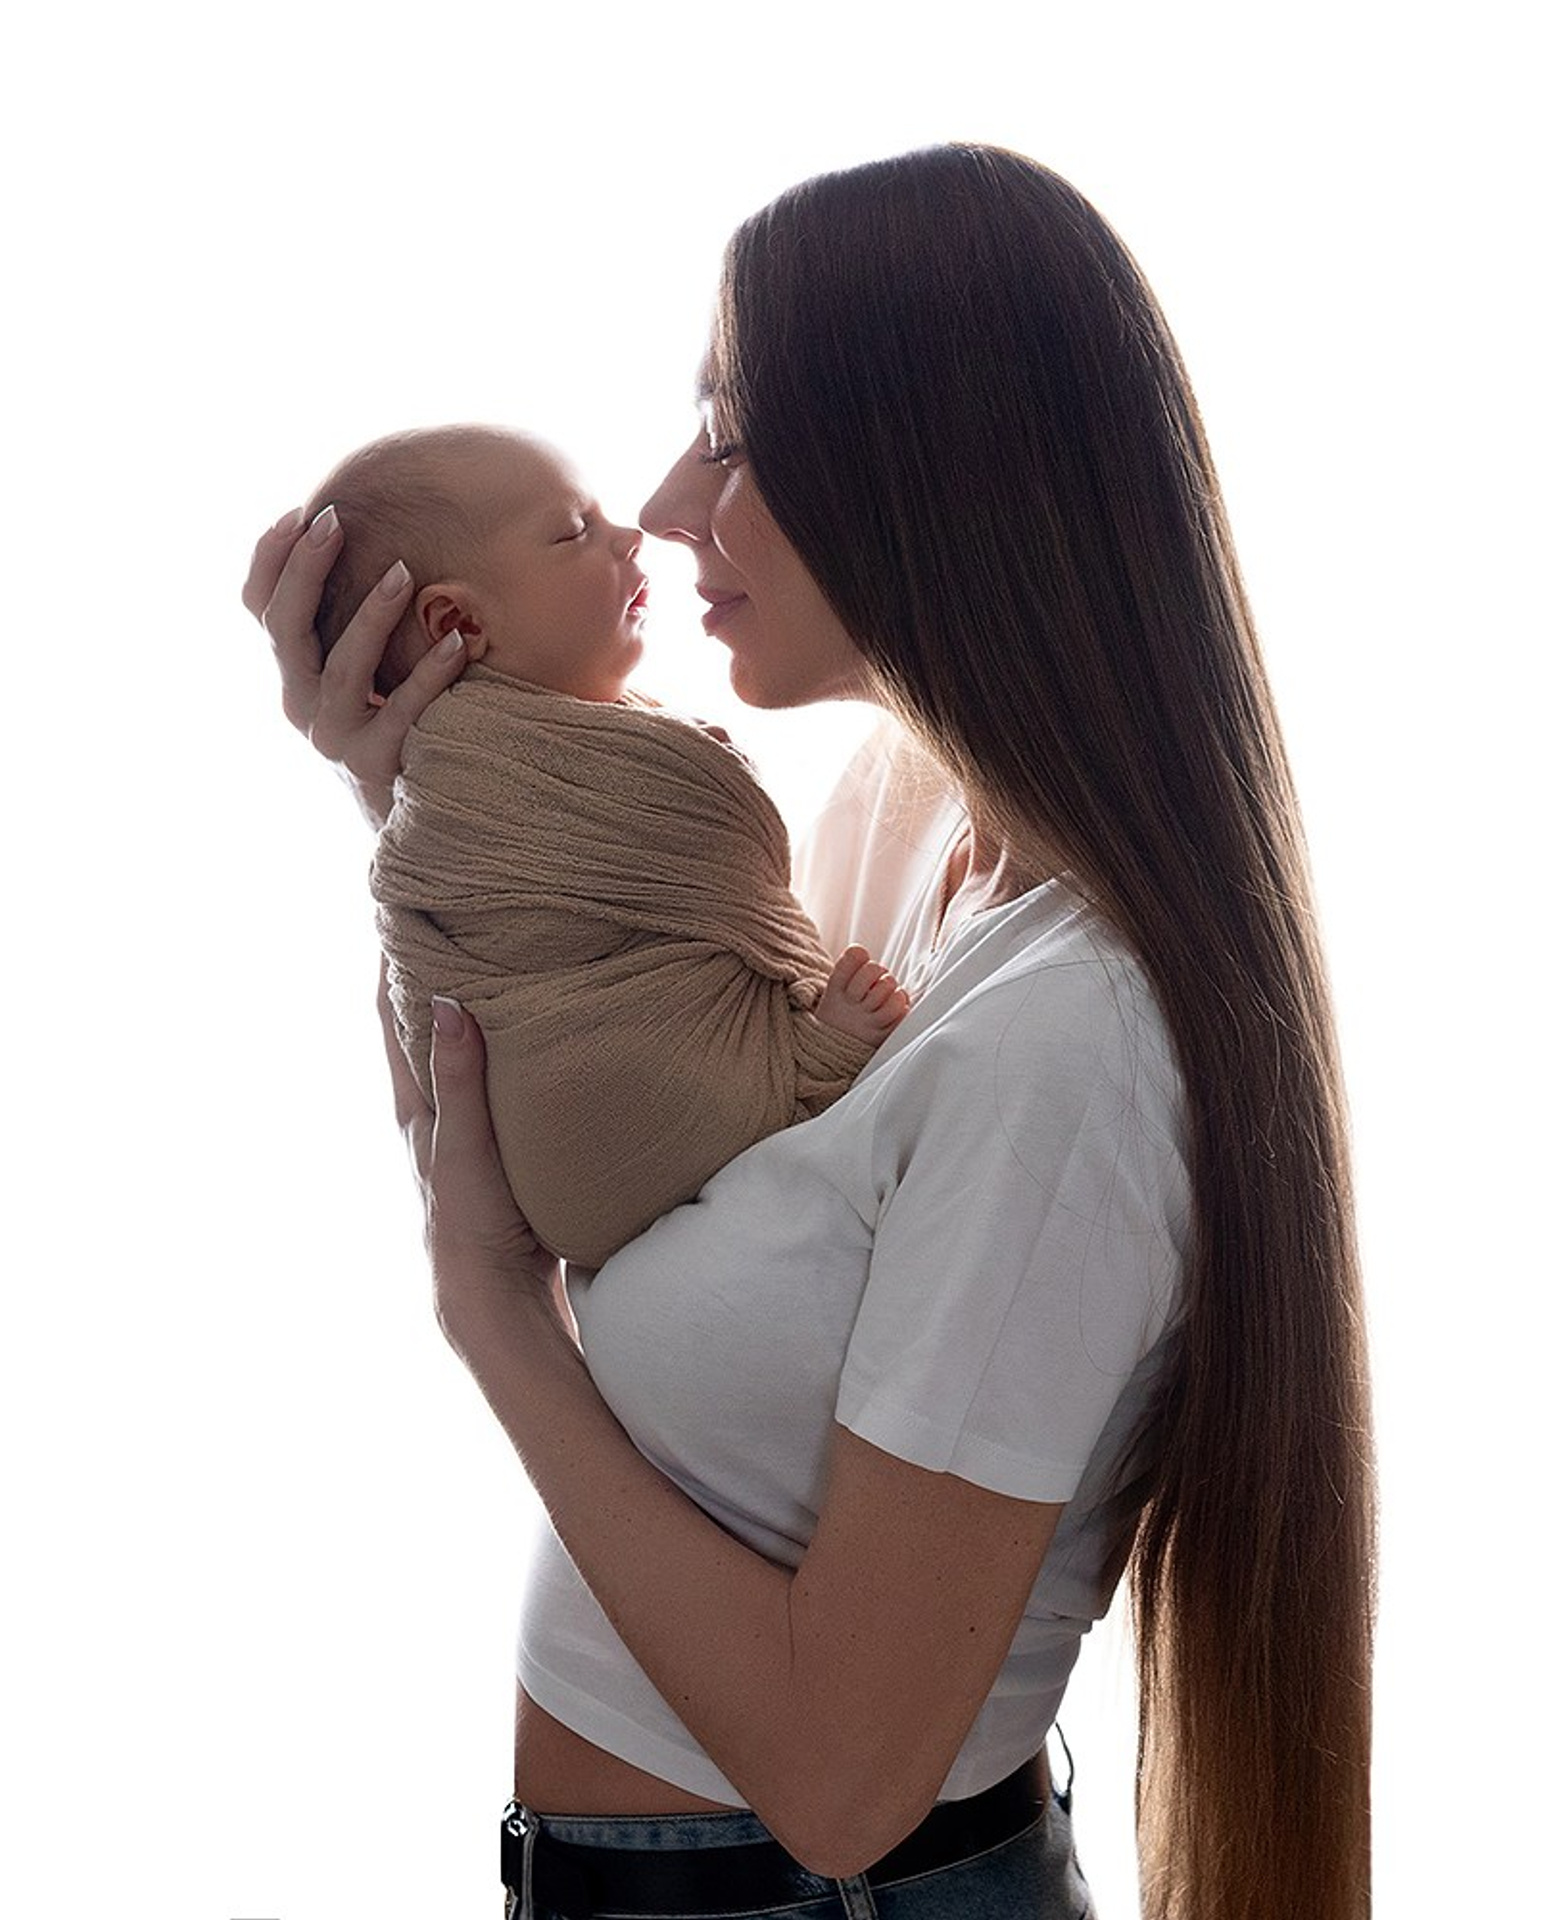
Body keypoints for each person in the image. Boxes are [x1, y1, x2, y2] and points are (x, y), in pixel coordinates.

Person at [247, 143, 1374, 1920]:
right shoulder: (897, 823)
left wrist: (490, 1327)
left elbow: (847, 1786)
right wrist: (429, 793)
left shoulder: (1071, 1047)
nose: (671, 501)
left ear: (940, 473)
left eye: (736, 432)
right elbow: (591, 1106)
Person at [304, 423, 907, 1268]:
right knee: (624, 1080)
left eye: (731, 440)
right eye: (574, 532)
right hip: (594, 1107)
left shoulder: (494, 764)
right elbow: (714, 831)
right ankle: (806, 1065)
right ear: (457, 623)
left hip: (572, 1172)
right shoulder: (477, 775)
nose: (636, 531)